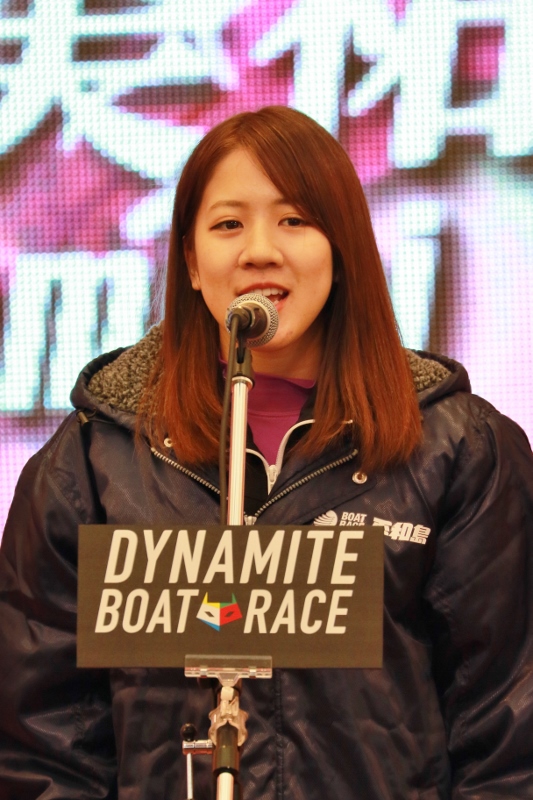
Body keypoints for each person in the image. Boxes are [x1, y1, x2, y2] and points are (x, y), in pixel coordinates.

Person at [1, 105, 533, 800]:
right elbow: (43, 747)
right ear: (191, 263)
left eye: (294, 221)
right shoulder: (91, 463)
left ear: (341, 250)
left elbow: (506, 736)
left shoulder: (457, 448)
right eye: (228, 225)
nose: (259, 250)